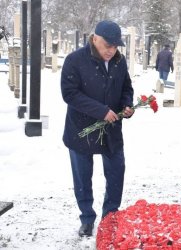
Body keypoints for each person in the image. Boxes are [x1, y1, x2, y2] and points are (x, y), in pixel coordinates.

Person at [60, 20, 134, 237]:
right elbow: (69, 93)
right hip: (81, 129)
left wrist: (127, 105)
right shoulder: (75, 60)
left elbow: (126, 87)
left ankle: (110, 217)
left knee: (116, 173)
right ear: (95, 39)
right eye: (107, 45)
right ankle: (86, 218)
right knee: (83, 177)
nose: (112, 51)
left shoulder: (119, 62)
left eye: (115, 46)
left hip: (111, 129)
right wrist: (100, 111)